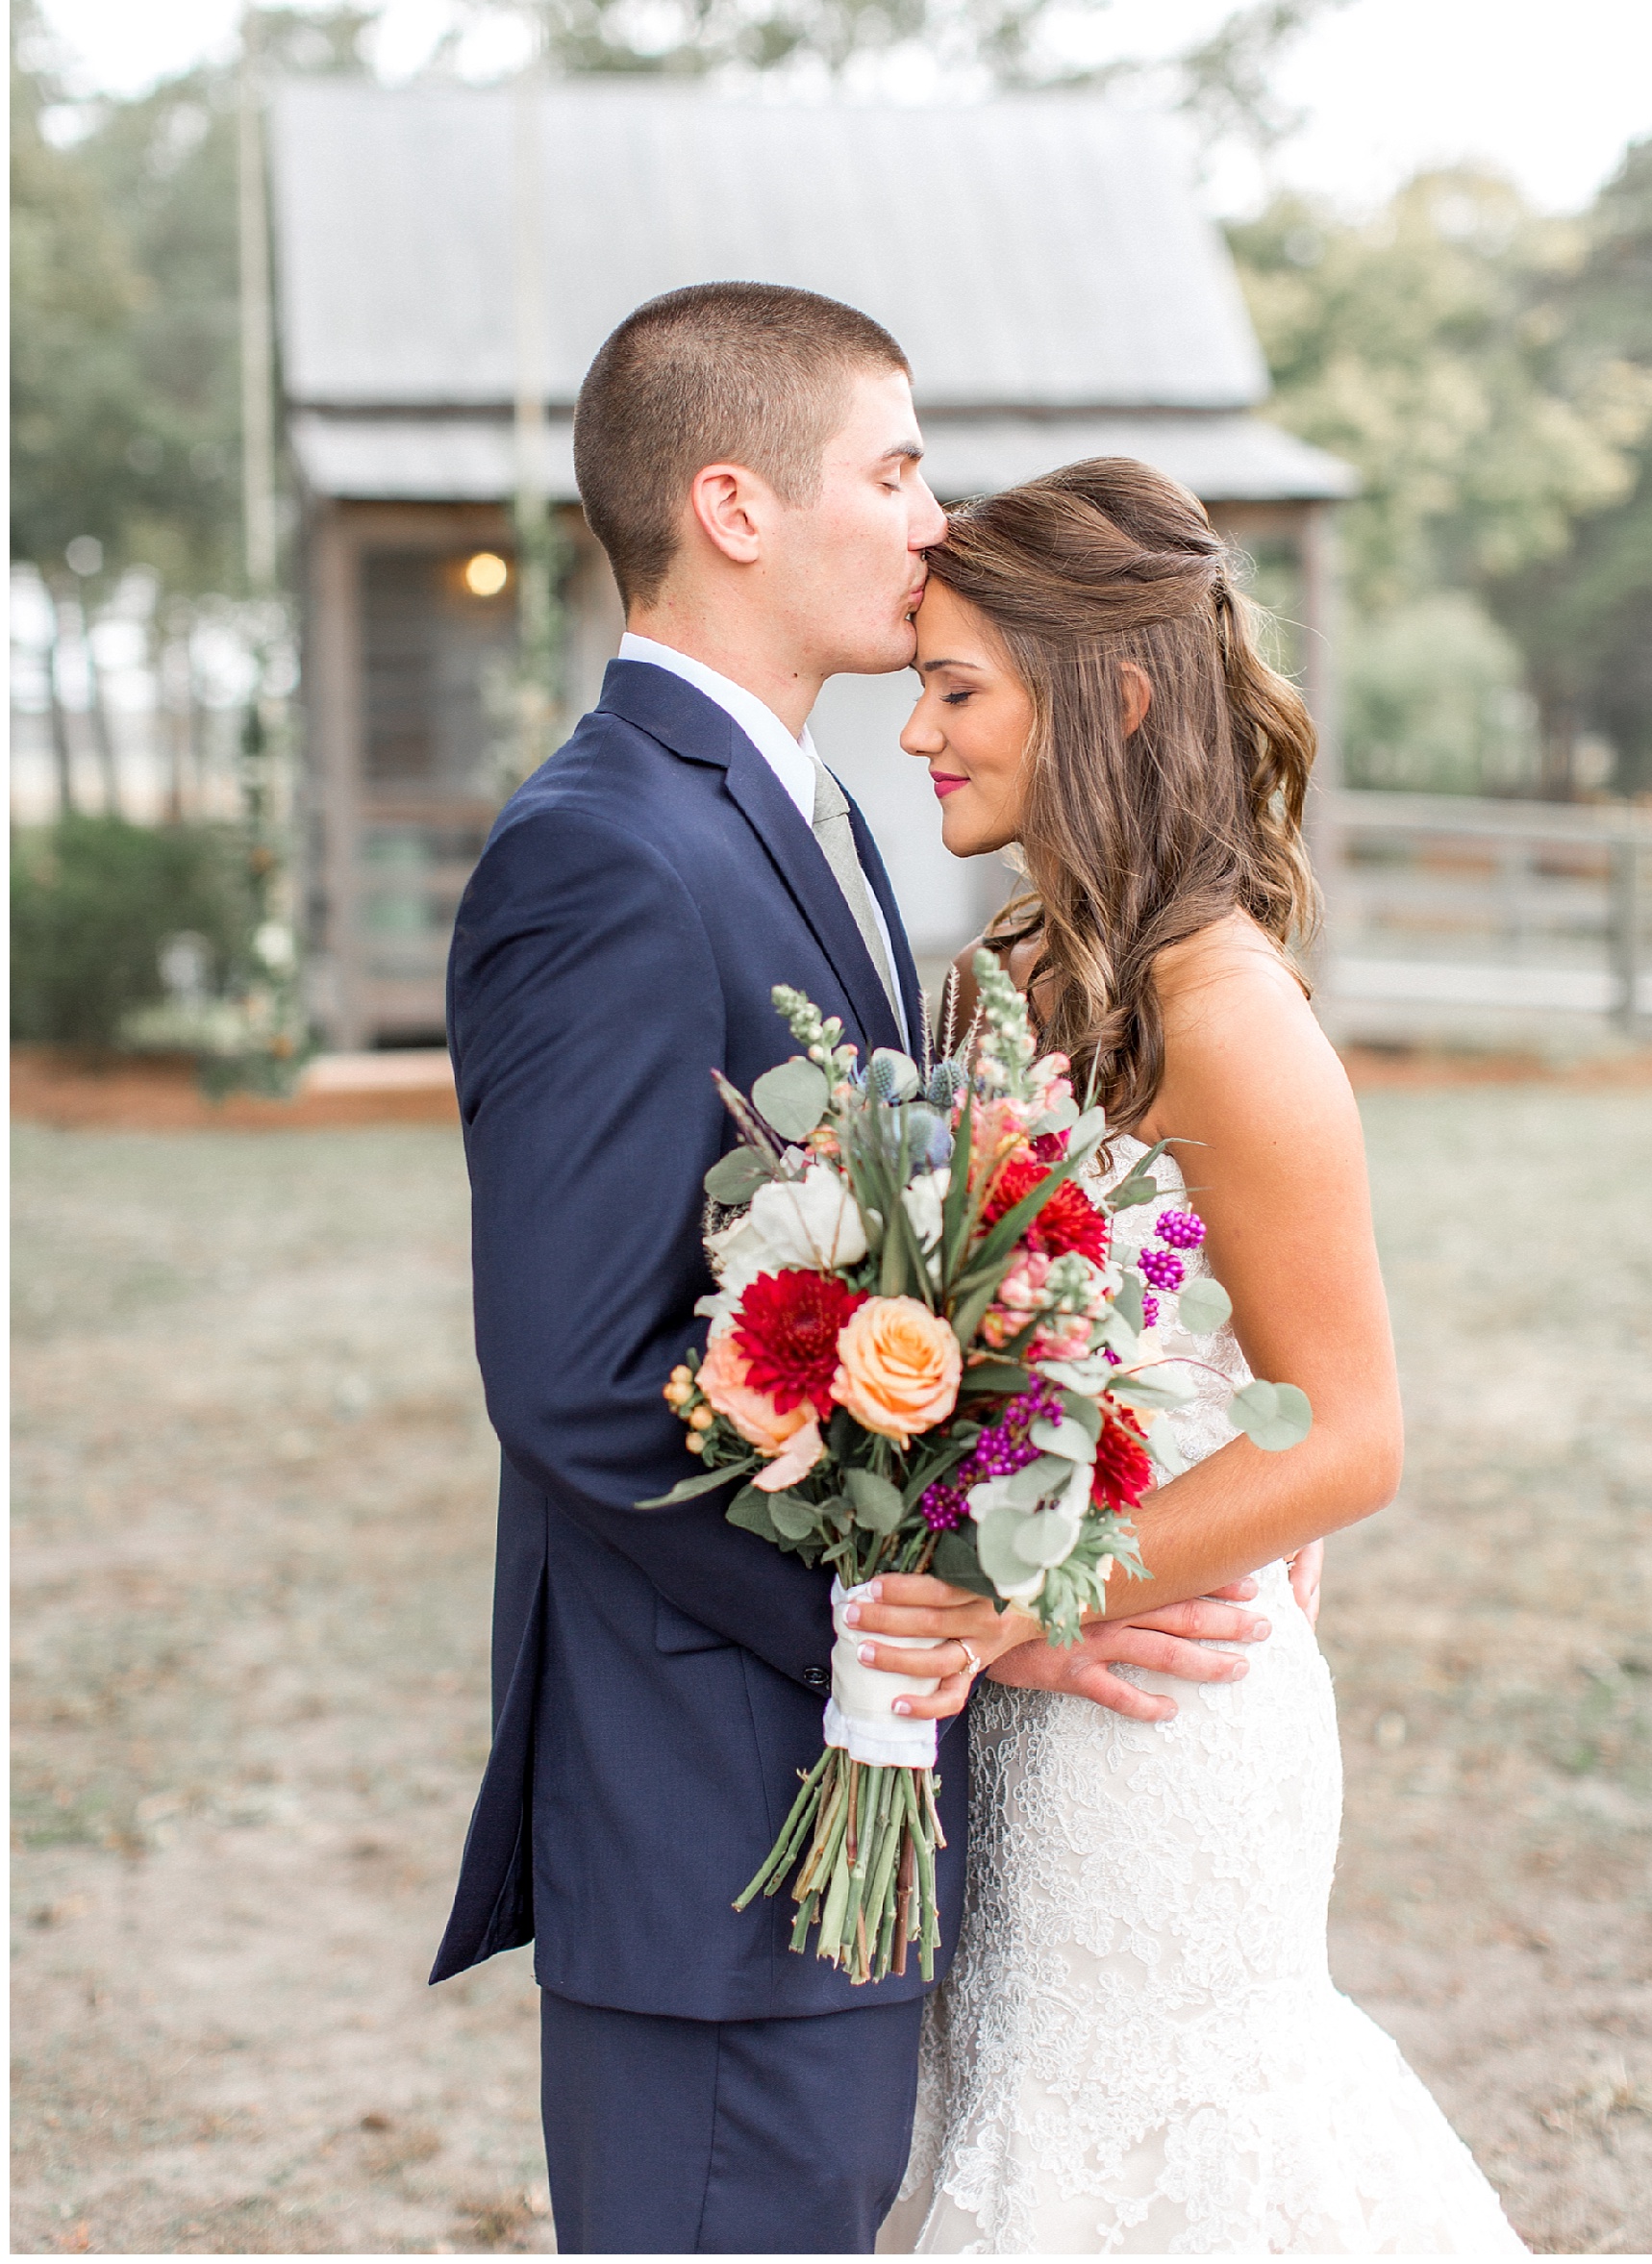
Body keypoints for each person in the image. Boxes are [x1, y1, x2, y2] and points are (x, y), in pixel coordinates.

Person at [430, 293, 1275, 2256]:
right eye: (895, 469)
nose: (931, 517)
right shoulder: (608, 849)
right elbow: (571, 1375)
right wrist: (928, 1628)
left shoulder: (808, 813)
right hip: (717, 1817)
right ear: (733, 503)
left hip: (832, 1813)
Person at [864, 458, 1529, 2254]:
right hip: (1035, 1701)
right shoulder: (1033, 979)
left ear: (1115, 695)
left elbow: (1358, 1436)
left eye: (956, 687)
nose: (918, 731)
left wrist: (1032, 1601)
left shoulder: (1226, 1016)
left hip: (1163, 1713)